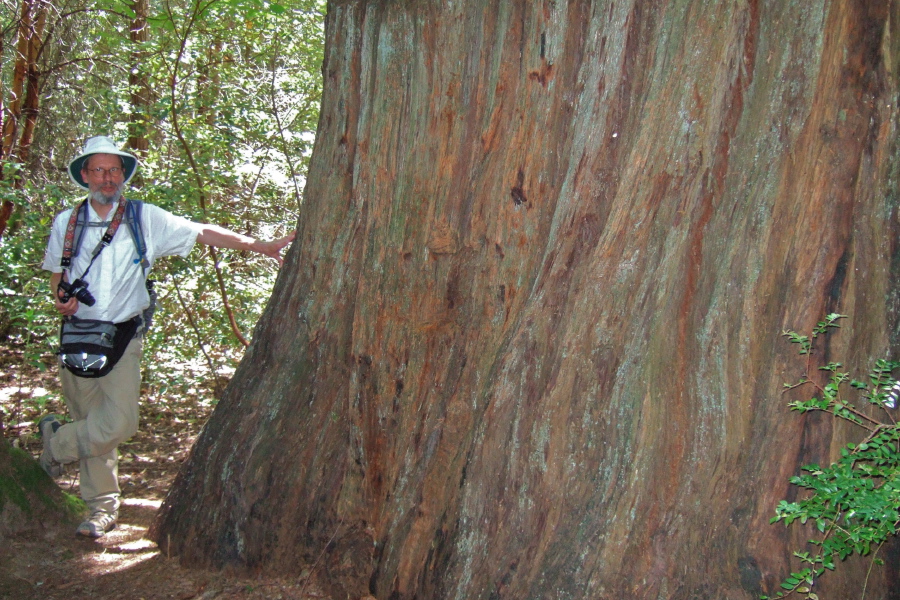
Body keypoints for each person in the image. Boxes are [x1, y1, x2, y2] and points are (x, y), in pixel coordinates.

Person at [38, 135, 294, 538]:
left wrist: (260, 246)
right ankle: (101, 507)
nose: (107, 178)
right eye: (99, 170)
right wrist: (60, 297)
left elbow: (202, 231)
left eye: (114, 170)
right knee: (89, 421)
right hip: (76, 336)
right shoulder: (66, 223)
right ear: (85, 175)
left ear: (123, 175)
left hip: (123, 338)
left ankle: (55, 444)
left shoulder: (144, 218)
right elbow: (57, 272)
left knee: (118, 422)